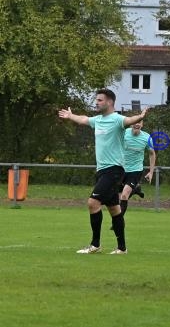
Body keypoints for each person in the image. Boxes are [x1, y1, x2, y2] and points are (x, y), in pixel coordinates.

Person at [58, 88, 147, 254]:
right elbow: (83, 119)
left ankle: (95, 245)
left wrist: (140, 117)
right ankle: (122, 248)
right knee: (114, 208)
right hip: (102, 171)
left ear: (109, 102)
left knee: (92, 203)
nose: (96, 102)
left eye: (100, 100)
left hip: (114, 170)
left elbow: (129, 120)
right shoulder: (97, 120)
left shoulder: (117, 119)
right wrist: (71, 116)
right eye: (96, 99)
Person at [111, 119, 156, 230]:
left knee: (125, 195)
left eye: (140, 123)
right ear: (131, 124)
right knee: (116, 197)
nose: (137, 124)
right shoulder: (124, 133)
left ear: (142, 124)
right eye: (135, 122)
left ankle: (118, 222)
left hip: (136, 170)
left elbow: (151, 154)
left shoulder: (147, 137)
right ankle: (135, 189)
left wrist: (151, 172)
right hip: (121, 169)